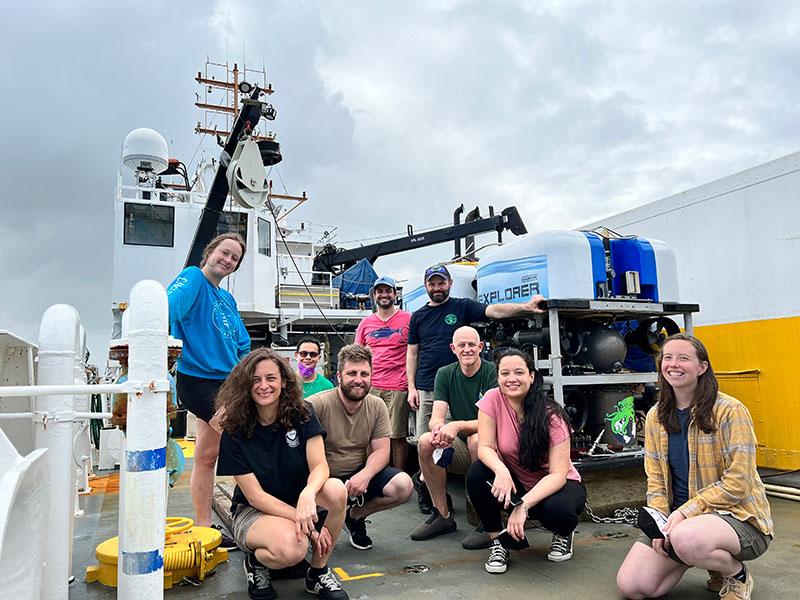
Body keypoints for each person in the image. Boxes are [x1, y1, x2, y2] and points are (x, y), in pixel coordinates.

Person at [616, 333, 773, 600]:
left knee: (687, 537)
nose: (673, 364)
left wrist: (687, 513)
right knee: (632, 586)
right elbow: (655, 480)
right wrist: (658, 525)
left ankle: (735, 574)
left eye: (683, 358)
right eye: (667, 358)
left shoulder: (730, 411)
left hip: (740, 521)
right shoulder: (656, 416)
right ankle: (704, 558)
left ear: (702, 367)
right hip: (679, 526)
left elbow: (739, 482)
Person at [216, 348, 350, 600]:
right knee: (293, 549)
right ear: (245, 385)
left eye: (271, 378)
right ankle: (256, 562)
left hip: (296, 499)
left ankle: (317, 573)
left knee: (335, 490)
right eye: (255, 380)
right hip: (254, 511)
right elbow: (255, 497)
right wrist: (309, 526)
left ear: (284, 381)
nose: (263, 386)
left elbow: (320, 466)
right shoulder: (234, 430)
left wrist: (309, 494)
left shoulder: (303, 413)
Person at [466, 349, 586, 574]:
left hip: (555, 486)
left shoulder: (551, 415)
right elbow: (484, 447)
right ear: (498, 377)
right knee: (477, 473)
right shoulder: (492, 399)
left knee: (557, 511)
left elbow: (558, 475)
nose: (511, 379)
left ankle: (563, 532)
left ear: (531, 376)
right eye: (505, 373)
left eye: (519, 372)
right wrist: (500, 470)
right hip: (517, 480)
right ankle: (499, 541)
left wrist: (522, 507)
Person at [167, 232, 251, 547]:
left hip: (229, 382)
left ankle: (204, 527)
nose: (227, 260)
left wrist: (245, 377)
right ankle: (252, 510)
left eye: (234, 259)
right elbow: (167, 309)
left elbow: (242, 343)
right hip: (199, 380)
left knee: (206, 455)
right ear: (211, 251)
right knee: (245, 439)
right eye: (224, 253)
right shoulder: (193, 279)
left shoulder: (227, 299)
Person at [406, 263, 545, 438]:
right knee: (424, 440)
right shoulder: (417, 316)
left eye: (441, 283)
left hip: (453, 385)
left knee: (448, 440)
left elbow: (493, 310)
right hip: (426, 386)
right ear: (425, 286)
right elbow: (412, 353)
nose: (437, 288)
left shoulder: (462, 306)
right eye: (432, 284)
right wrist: (412, 387)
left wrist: (525, 307)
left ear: (450, 283)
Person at [309, 344, 413, 551]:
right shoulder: (316, 405)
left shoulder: (376, 406)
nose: (358, 380)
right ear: (339, 376)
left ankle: (355, 516)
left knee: (403, 485)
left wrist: (365, 475)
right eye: (352, 373)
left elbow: (382, 450)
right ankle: (321, 515)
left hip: (356, 473)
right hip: (322, 477)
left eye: (364, 374)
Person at [410, 326, 497, 550]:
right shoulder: (445, 373)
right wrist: (439, 431)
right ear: (453, 348)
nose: (467, 350)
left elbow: (492, 422)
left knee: (477, 439)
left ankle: (487, 522)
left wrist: (456, 426)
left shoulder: (492, 373)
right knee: (425, 441)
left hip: (493, 445)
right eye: (461, 345)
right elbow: (436, 417)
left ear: (480, 347)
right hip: (463, 442)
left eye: (471, 345)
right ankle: (442, 515)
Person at [355, 276, 412, 470]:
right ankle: (372, 475)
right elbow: (357, 354)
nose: (384, 295)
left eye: (388, 291)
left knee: (397, 436)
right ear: (374, 295)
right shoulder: (366, 323)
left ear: (395, 295)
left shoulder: (408, 319)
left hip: (398, 386)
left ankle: (399, 476)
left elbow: (415, 352)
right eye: (379, 291)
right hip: (372, 387)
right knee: (370, 435)